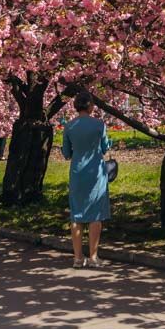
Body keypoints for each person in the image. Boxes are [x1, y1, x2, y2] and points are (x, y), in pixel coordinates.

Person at [60, 91, 111, 269]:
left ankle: (77, 257)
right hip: (95, 172)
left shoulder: (69, 126)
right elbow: (105, 147)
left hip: (77, 172)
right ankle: (93, 256)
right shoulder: (99, 124)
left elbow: (66, 153)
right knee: (95, 214)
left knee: (77, 214)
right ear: (90, 105)